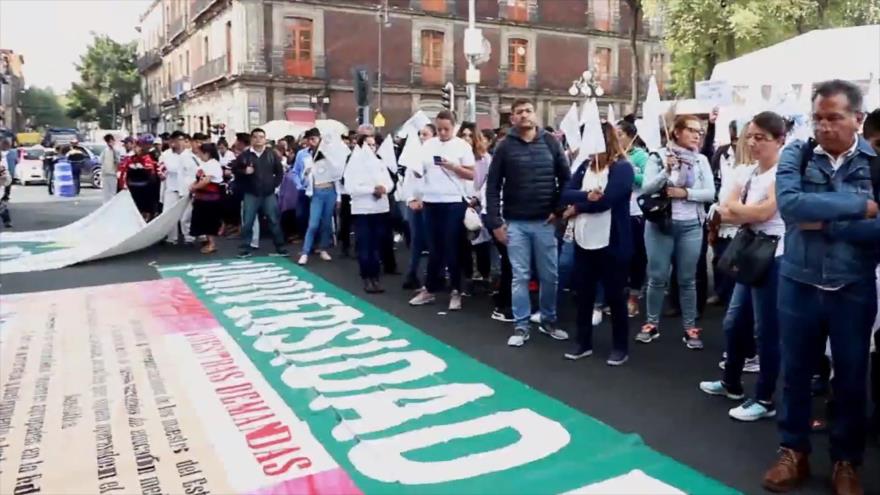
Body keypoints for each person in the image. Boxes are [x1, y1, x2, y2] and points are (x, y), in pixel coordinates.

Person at [762, 80, 878, 495]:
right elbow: (791, 207)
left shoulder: (875, 162)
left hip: (853, 287)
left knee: (850, 378)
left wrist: (823, 221)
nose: (825, 127)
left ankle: (846, 462)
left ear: (857, 120)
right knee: (793, 374)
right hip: (799, 283)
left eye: (835, 118)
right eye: (819, 118)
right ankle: (793, 451)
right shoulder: (797, 153)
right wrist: (858, 208)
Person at [699, 111, 787, 422]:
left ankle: (764, 398)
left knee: (766, 330)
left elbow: (765, 213)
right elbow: (726, 212)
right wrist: (744, 211)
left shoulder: (783, 174)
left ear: (780, 140)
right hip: (751, 251)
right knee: (734, 322)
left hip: (774, 256)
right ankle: (731, 383)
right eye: (749, 136)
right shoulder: (747, 173)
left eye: (760, 137)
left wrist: (740, 211)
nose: (752, 142)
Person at [485, 99, 571, 346]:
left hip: (545, 222)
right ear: (512, 118)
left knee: (550, 276)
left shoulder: (551, 142)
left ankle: (548, 320)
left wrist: (559, 209)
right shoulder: (503, 147)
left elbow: (566, 179)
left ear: (535, 114)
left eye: (528, 111)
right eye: (519, 112)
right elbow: (492, 187)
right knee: (520, 277)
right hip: (515, 223)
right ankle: (521, 326)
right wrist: (495, 222)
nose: (524, 115)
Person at [635, 114, 715, 350]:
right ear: (677, 132)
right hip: (661, 224)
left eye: (699, 132)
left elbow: (711, 193)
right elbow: (646, 188)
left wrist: (686, 194)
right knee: (657, 276)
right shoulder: (658, 157)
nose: (697, 135)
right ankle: (651, 324)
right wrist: (665, 172)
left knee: (688, 279)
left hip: (691, 225)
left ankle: (690, 327)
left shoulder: (701, 160)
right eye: (691, 130)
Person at [561, 122, 634, 365]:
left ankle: (620, 347)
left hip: (612, 242)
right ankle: (583, 343)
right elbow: (564, 193)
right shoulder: (584, 167)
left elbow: (608, 200)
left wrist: (578, 207)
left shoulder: (622, 169)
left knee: (614, 296)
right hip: (584, 240)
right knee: (584, 295)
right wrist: (585, 197)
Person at [408, 111, 475, 311]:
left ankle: (456, 289)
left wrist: (454, 167)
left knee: (452, 246)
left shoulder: (462, 146)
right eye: (439, 129)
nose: (443, 132)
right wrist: (417, 173)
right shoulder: (428, 145)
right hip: (431, 201)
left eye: (446, 129)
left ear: (454, 127)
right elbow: (419, 169)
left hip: (453, 201)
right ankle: (430, 288)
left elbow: (472, 174)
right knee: (434, 247)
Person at [345, 135, 395, 293]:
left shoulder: (380, 162)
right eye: (368, 145)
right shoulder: (354, 164)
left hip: (379, 209)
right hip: (363, 209)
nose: (372, 148)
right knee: (365, 245)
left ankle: (376, 277)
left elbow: (390, 182)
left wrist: (384, 189)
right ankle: (367, 277)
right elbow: (351, 187)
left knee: (376, 245)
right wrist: (371, 190)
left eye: (374, 145)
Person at [232, 128, 288, 258]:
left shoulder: (271, 154)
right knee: (248, 222)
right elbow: (235, 170)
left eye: (261, 137)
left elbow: (280, 172)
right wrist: (244, 172)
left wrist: (274, 185)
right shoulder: (245, 155)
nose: (258, 139)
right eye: (255, 137)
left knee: (274, 220)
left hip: (268, 193)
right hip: (251, 193)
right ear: (251, 139)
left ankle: (280, 247)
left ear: (265, 139)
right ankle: (245, 248)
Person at [616, 120, 650, 317]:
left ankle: (634, 297)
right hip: (616, 212)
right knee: (619, 257)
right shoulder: (614, 155)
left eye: (620, 134)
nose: (617, 138)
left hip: (636, 213)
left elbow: (647, 181)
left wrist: (628, 173)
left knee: (636, 257)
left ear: (631, 136)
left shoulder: (641, 156)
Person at [401, 124, 436, 290]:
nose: (422, 137)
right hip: (416, 205)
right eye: (421, 134)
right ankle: (412, 274)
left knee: (434, 241)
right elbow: (408, 182)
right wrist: (410, 200)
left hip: (434, 204)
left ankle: (434, 276)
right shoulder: (414, 156)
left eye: (426, 134)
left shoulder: (437, 155)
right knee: (416, 241)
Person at [297, 128, 337, 265]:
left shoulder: (329, 151)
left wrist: (338, 198)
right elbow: (299, 174)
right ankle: (305, 252)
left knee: (326, 222)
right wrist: (304, 177)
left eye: (314, 138)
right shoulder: (303, 155)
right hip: (316, 192)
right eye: (309, 139)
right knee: (313, 223)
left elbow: (337, 172)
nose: (312, 141)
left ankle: (323, 248)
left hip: (330, 190)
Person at [159, 131, 198, 245]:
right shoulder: (165, 155)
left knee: (186, 215)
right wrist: (162, 173)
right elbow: (161, 169)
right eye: (176, 140)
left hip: (186, 189)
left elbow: (197, 171)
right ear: (171, 142)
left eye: (181, 140)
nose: (179, 143)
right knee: (169, 214)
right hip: (171, 187)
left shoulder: (190, 156)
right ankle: (172, 238)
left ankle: (189, 237)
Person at [189, 142, 224, 254]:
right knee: (203, 221)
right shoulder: (203, 164)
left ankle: (212, 243)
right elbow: (200, 178)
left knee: (209, 222)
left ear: (207, 153)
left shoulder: (213, 164)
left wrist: (194, 187)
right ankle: (209, 242)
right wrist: (193, 185)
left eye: (200, 153)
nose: (199, 156)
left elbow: (206, 181)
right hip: (201, 198)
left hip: (210, 199)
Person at [120, 136, 160, 221]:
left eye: (149, 145)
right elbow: (122, 172)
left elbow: (155, 175)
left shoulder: (152, 156)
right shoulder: (129, 157)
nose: (145, 147)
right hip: (133, 189)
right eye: (143, 145)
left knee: (147, 211)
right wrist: (123, 186)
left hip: (148, 191)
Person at [99, 134, 120, 203]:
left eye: (112, 141)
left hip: (113, 175)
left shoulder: (116, 151)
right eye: (109, 141)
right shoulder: (104, 151)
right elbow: (100, 161)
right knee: (106, 193)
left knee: (112, 193)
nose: (111, 143)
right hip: (105, 175)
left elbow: (118, 161)